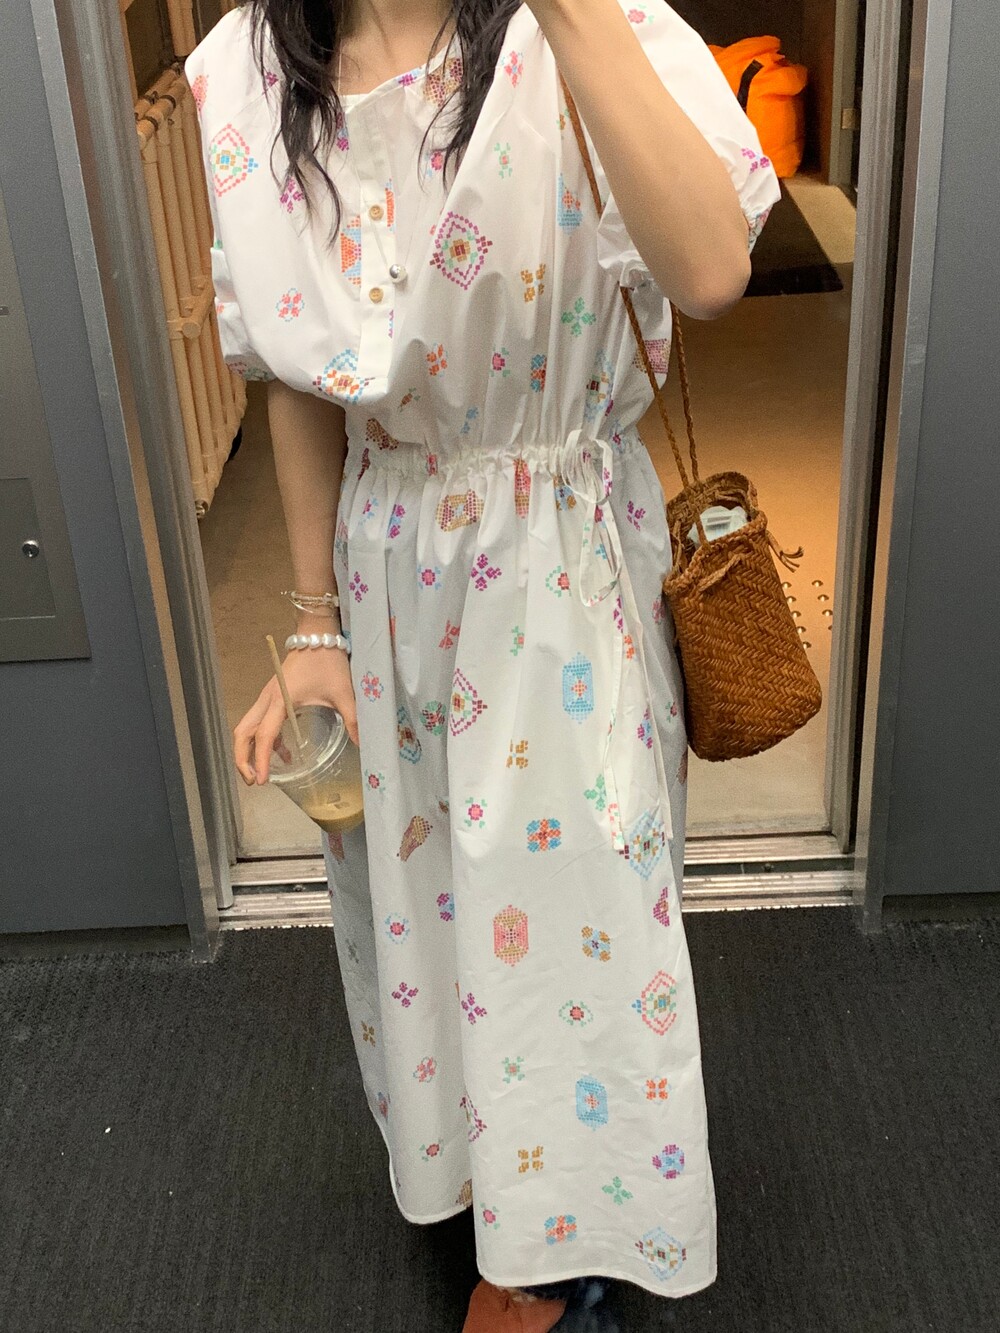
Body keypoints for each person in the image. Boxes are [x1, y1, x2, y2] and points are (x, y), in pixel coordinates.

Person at [184, 2, 780, 1328]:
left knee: (583, 905)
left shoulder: (588, 26)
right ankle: (498, 1189)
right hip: (390, 562)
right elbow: (295, 373)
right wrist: (313, 627)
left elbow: (712, 266)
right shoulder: (250, 71)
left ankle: (549, 1263)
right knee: (428, 905)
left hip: (562, 556)